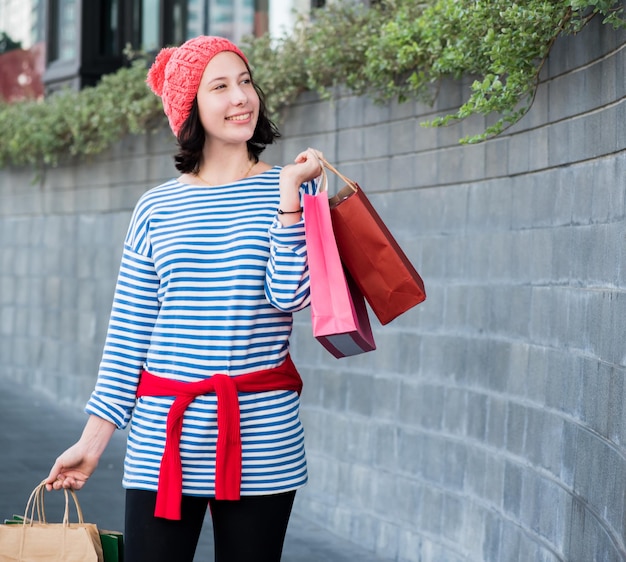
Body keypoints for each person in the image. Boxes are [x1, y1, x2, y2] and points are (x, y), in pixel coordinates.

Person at [45, 35, 323, 562]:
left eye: (245, 82)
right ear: (189, 107)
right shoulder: (155, 208)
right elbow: (129, 335)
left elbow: (290, 298)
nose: (240, 97)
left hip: (260, 436)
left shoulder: (292, 188)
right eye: (219, 86)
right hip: (162, 439)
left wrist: (290, 203)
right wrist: (91, 443)